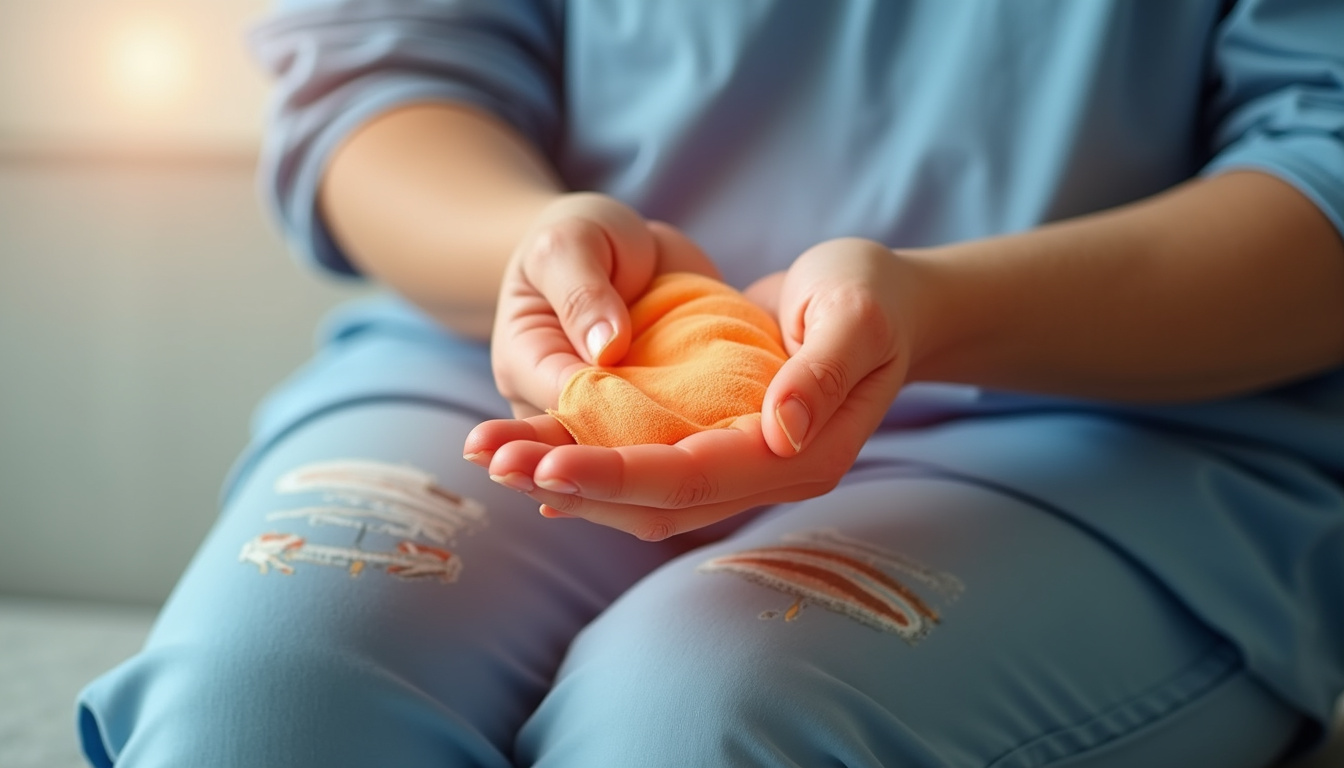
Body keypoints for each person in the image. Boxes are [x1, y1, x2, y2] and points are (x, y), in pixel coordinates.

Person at [77, 1, 1344, 766]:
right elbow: (384, 75)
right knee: (263, 707)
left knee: (703, 723)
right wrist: (532, 249)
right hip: (504, 363)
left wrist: (935, 311)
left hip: (1102, 423)